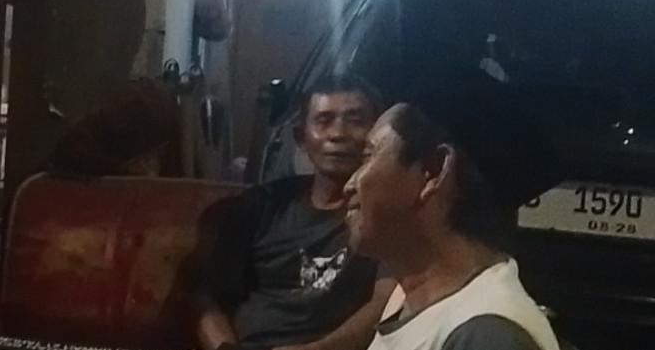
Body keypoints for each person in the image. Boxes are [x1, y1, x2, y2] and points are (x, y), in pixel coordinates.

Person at [343, 84, 562, 350]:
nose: (349, 185)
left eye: (368, 156)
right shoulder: (414, 294)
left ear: (433, 171)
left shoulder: (486, 337)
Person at [197, 75, 395, 350]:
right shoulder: (262, 205)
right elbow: (207, 299)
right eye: (324, 120)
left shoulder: (387, 216)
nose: (338, 134)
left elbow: (385, 303)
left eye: (355, 121)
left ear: (377, 136)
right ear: (301, 138)